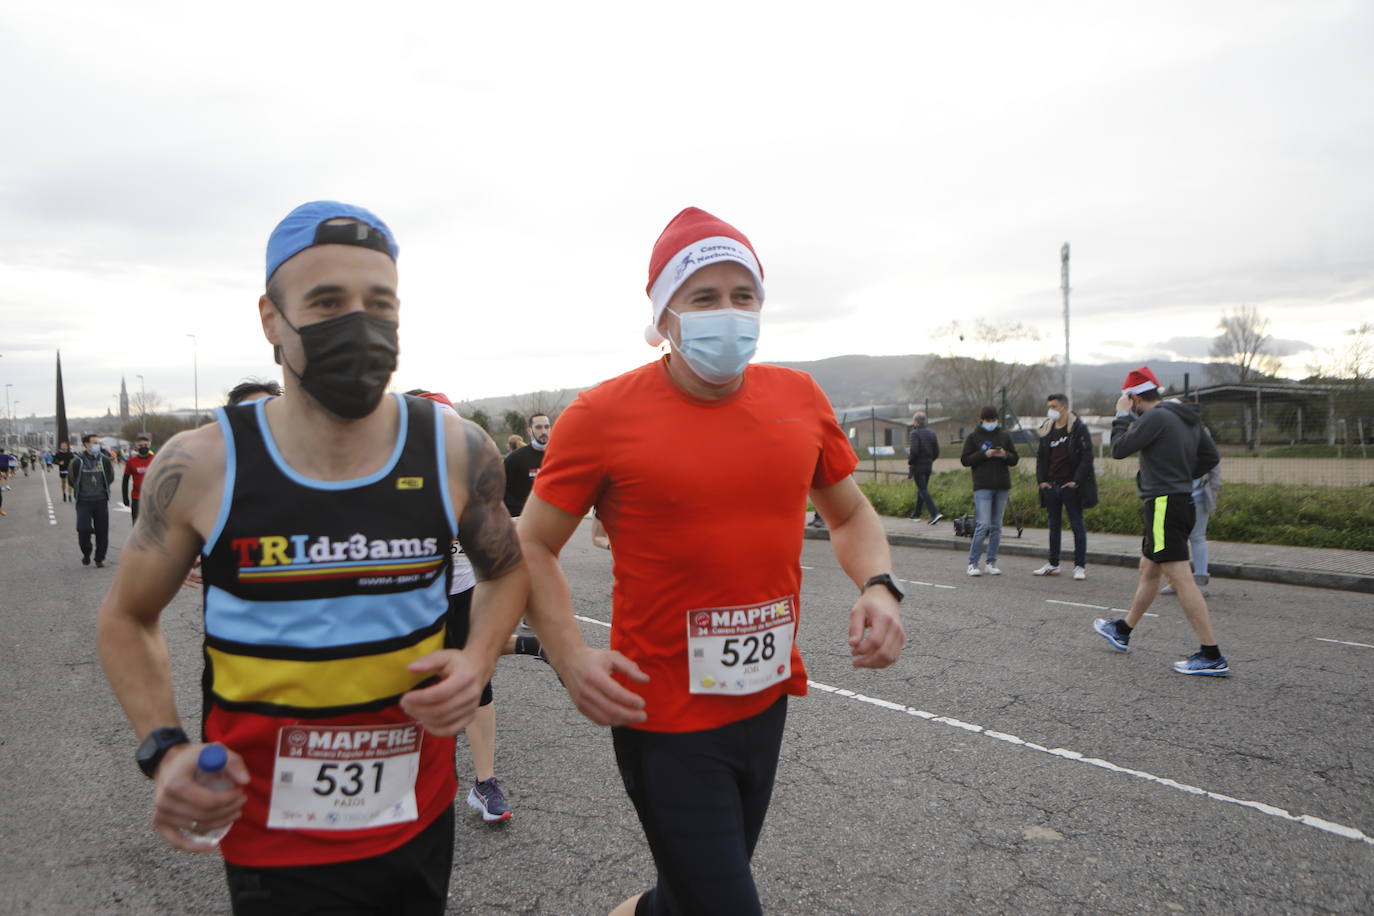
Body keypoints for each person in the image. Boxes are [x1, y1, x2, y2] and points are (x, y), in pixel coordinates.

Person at [96, 201, 529, 914]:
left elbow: (507, 569)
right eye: (327, 302)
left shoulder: (456, 448)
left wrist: (476, 660)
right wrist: (163, 749)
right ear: (272, 319)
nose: (359, 323)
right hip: (271, 832)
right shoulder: (203, 464)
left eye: (378, 302)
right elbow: (127, 618)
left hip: (415, 811)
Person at [518, 206, 906, 916]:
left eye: (743, 295)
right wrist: (571, 658)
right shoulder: (600, 416)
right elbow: (532, 544)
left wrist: (879, 586)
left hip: (765, 701)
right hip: (661, 714)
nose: (728, 313)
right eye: (704, 297)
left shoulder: (799, 398)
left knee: (691, 895)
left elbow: (850, 513)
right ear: (665, 314)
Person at [409, 388, 547, 826]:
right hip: (407, 605)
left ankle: (484, 783)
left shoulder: (469, 481)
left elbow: (503, 559)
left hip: (462, 593)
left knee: (477, 682)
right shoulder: (384, 483)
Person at [1092, 366, 1228, 676]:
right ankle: (1123, 629)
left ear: (1134, 397)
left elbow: (1119, 449)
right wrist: (1181, 476)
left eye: (1129, 401)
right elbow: (1210, 459)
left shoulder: (1155, 417)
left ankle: (1211, 654)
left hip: (1163, 504)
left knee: (1180, 578)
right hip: (1180, 501)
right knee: (1149, 568)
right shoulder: (1185, 418)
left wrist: (1121, 415)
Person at [1031, 393, 1097, 580]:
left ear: (1064, 407)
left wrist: (1076, 481)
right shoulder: (1046, 429)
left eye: (1054, 406)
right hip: (1051, 486)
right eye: (1049, 406)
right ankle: (1053, 563)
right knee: (1054, 526)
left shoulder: (1078, 428)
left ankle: (1079, 566)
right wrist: (1041, 481)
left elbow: (1086, 457)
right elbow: (1041, 457)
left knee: (1077, 525)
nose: (1051, 410)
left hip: (1071, 487)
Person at [1161, 426, 1221, 598]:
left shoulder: (1201, 432)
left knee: (1197, 537)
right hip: (1175, 496)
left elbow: (1214, 461)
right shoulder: (1170, 433)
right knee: (1177, 540)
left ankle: (1199, 581)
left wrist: (1214, 486)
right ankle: (1176, 581)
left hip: (1199, 496)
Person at [960, 406, 1019, 577]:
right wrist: (984, 454)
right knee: (983, 524)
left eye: (994, 420)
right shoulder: (973, 437)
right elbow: (965, 460)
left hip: (1001, 485)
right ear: (982, 420)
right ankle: (972, 563)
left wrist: (1005, 455)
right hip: (982, 485)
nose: (991, 423)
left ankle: (991, 562)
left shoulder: (1004, 436)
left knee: (996, 526)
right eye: (988, 420)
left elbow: (1015, 459)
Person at [71, 433, 116, 567]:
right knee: (83, 529)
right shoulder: (77, 461)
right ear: (86, 445)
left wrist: (101, 489)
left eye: (98, 442)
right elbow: (72, 479)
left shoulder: (105, 460)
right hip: (84, 501)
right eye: (94, 442)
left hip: (101, 500)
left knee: (102, 530)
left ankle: (99, 558)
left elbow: (110, 477)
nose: (97, 445)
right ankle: (86, 552)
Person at [502, 413, 550, 516]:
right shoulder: (515, 458)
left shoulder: (558, 456)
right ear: (529, 431)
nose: (544, 431)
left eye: (547, 427)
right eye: (538, 427)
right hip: (523, 520)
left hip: (551, 519)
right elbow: (500, 490)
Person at [906, 412, 943, 524]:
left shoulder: (914, 434)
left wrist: (911, 461)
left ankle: (935, 513)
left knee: (923, 489)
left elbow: (914, 450)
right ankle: (916, 514)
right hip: (928, 465)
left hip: (918, 466)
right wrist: (930, 460)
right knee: (922, 488)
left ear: (916, 421)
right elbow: (936, 451)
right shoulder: (932, 433)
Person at [122, 433, 155, 524]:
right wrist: (125, 498)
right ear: (136, 447)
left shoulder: (156, 459)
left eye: (146, 445)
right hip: (137, 497)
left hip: (153, 497)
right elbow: (125, 480)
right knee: (137, 524)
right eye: (140, 445)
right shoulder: (131, 462)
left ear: (149, 445)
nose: (143, 447)